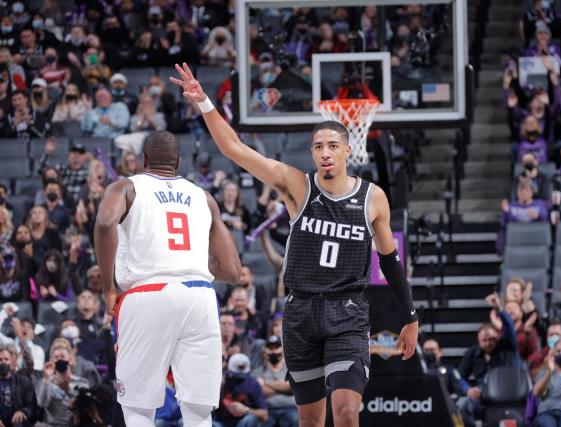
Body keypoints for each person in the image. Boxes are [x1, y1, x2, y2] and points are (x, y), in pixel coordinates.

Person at [171, 63, 418, 427]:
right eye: (318, 146)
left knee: (348, 414)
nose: (325, 152)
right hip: (300, 314)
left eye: (333, 145)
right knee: (311, 422)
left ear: (348, 150)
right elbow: (235, 149)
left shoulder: (373, 198)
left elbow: (390, 260)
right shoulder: (297, 186)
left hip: (347, 314)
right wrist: (205, 102)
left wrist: (409, 316)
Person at [94, 130, 242, 427]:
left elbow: (105, 223)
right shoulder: (204, 197)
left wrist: (108, 288)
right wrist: (187, 262)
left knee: (138, 408)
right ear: (179, 161)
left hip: (148, 293)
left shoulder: (126, 187)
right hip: (200, 296)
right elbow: (232, 271)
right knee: (198, 410)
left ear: (144, 160)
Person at [252, 335, 298, 427]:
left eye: (276, 347)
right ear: (264, 350)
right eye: (270, 348)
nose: (273, 351)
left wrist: (265, 383)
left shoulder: (291, 369)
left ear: (282, 349)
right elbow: (260, 392)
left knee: (295, 420)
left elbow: (292, 386)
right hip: (267, 411)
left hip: (290, 409)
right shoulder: (257, 372)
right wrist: (283, 387)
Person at [214, 353, 268, 427]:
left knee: (251, 419)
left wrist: (246, 410)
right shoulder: (220, 380)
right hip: (221, 421)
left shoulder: (253, 383)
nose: (238, 379)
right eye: (235, 376)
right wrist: (219, 386)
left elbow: (264, 415)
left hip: (242, 422)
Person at [0, 345, 37, 427]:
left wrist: (23, 411)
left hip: (18, 422)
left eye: (6, 359)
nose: (3, 362)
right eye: (0, 359)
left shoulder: (23, 381)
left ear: (12, 361)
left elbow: (32, 406)